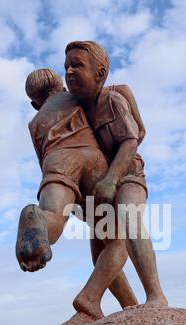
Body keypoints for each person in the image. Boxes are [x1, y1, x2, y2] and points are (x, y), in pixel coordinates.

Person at [16, 68, 138, 323]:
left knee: (53, 215)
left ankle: (39, 219)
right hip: (92, 160)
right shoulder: (76, 96)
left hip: (56, 163)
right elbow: (119, 91)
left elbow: (42, 158)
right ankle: (94, 299)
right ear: (60, 84)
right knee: (117, 241)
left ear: (34, 102)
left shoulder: (35, 122)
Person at [65, 41, 168, 307]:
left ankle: (156, 295)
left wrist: (112, 178)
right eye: (66, 66)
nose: (69, 71)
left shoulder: (112, 100)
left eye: (77, 65)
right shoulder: (76, 110)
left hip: (128, 174)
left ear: (100, 73)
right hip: (101, 183)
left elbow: (131, 141)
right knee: (100, 246)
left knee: (127, 215)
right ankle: (129, 306)